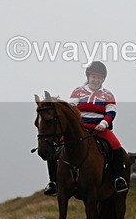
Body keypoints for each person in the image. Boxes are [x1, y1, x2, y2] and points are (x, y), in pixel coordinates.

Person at [42, 61, 128, 195]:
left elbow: (111, 112)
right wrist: (77, 125)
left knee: (116, 145)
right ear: (88, 77)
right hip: (79, 128)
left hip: (99, 128)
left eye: (99, 78)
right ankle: (53, 182)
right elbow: (72, 109)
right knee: (56, 145)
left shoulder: (108, 95)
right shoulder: (78, 91)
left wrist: (103, 124)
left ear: (103, 79)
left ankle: (118, 178)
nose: (96, 80)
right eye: (93, 77)